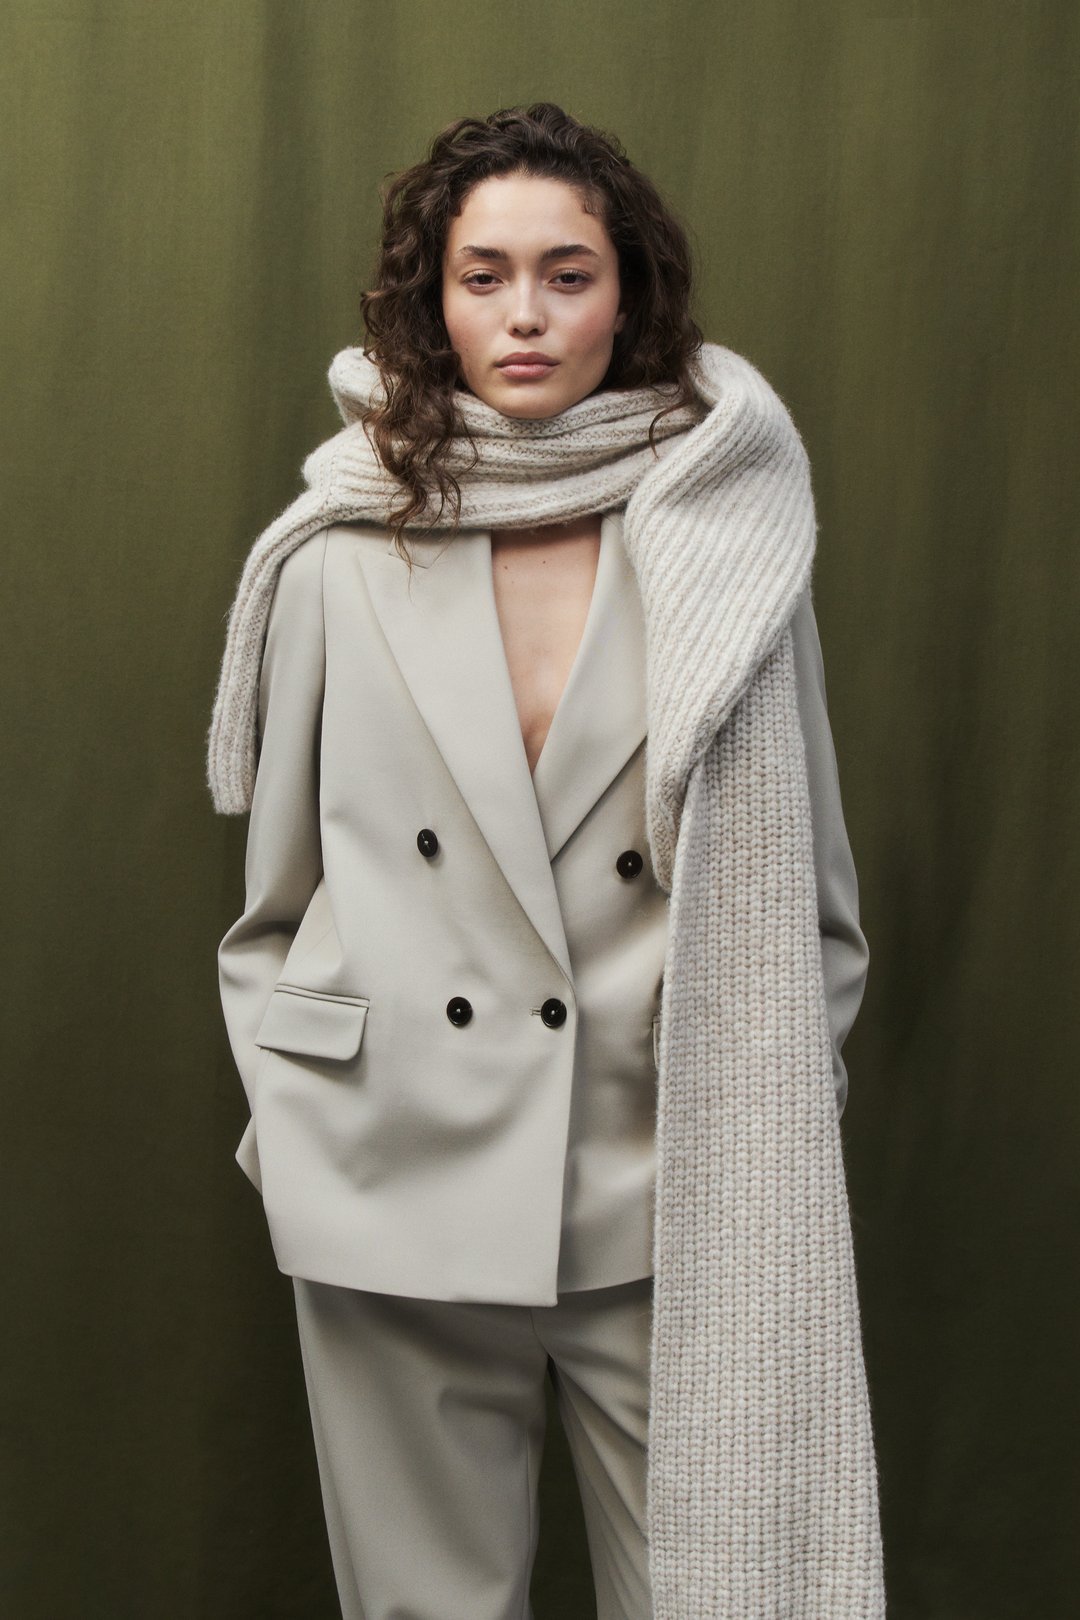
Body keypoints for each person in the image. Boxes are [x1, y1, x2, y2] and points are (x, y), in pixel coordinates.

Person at [208, 103, 886, 1620]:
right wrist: (300, 1116)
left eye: (568, 275)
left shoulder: (728, 550)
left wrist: (756, 1115)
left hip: (666, 1188)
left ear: (627, 297)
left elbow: (817, 911)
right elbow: (276, 908)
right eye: (485, 276)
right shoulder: (332, 555)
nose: (525, 315)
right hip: (387, 1175)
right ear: (431, 300)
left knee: (722, 1594)